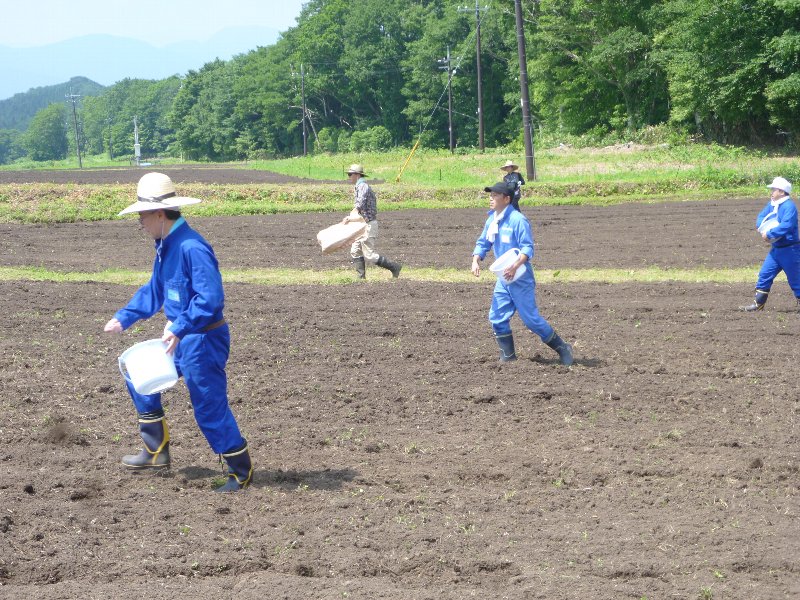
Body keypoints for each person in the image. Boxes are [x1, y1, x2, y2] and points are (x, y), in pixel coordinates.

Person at [103, 172, 252, 493]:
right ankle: (156, 452)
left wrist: (181, 326)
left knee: (208, 406)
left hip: (202, 339)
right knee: (137, 376)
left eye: (142, 215)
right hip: (180, 337)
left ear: (160, 214)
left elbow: (210, 299)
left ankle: (240, 470)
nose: (140, 222)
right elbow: (155, 290)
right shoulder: (165, 246)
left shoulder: (192, 248)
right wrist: (124, 317)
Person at [471, 182, 574, 365]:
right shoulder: (492, 220)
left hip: (520, 277)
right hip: (504, 278)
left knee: (531, 320)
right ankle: (508, 357)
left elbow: (527, 248)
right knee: (496, 317)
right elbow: (483, 242)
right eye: (490, 195)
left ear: (506, 199)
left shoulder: (518, 220)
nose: (491, 198)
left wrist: (515, 265)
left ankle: (562, 347)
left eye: (495, 195)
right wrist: (475, 259)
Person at [742, 176, 800, 312]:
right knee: (764, 274)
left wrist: (770, 233)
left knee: (796, 279)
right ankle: (758, 304)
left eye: (774, 189)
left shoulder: (789, 207)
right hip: (776, 250)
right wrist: (761, 227)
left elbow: (787, 225)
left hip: (790, 250)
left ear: (781, 191)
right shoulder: (772, 204)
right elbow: (761, 217)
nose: (771, 192)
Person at [342, 164, 402, 279]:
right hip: (362, 225)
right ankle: (361, 277)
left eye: (350, 174)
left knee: (369, 255)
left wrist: (349, 218)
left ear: (357, 175)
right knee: (355, 251)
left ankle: (394, 267)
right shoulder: (359, 186)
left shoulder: (363, 186)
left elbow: (360, 204)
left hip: (368, 225)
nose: (349, 177)